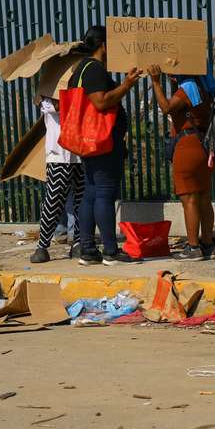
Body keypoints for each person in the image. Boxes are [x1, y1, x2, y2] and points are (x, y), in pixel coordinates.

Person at [69, 25, 142, 265]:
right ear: (103, 45)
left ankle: (88, 249)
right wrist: (127, 85)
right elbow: (100, 102)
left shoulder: (79, 70)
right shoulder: (94, 70)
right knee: (104, 193)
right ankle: (111, 250)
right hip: (102, 142)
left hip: (89, 142)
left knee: (91, 193)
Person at [147, 64, 215, 260]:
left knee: (189, 199)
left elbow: (166, 108)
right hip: (203, 148)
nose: (170, 74)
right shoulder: (203, 88)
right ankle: (208, 245)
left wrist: (155, 81)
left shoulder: (187, 89)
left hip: (187, 147)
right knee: (204, 198)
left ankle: (193, 247)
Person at [29, 93, 84, 263]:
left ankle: (79, 242)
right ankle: (43, 246)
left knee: (82, 200)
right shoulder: (47, 97)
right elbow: (59, 106)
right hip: (58, 155)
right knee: (53, 200)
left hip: (81, 153)